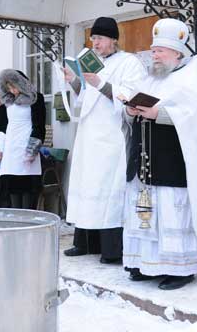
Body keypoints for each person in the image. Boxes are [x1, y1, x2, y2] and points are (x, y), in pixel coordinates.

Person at [123, 18, 197, 289]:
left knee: (171, 215)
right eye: (153, 50)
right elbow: (133, 106)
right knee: (145, 215)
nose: (154, 55)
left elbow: (193, 116)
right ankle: (146, 264)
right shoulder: (151, 78)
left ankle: (180, 270)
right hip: (143, 161)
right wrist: (129, 111)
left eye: (160, 51)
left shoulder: (189, 78)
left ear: (177, 53)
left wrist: (159, 113)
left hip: (170, 163)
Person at [64, 17, 146, 264]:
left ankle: (112, 249)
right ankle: (86, 242)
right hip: (90, 135)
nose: (95, 43)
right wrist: (75, 82)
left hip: (111, 137)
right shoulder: (94, 61)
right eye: (93, 38)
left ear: (113, 39)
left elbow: (130, 96)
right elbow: (88, 99)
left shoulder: (129, 62)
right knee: (86, 185)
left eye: (99, 38)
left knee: (106, 188)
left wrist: (99, 82)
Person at [0, 69, 46, 210]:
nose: (12, 90)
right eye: (8, 87)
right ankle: (16, 221)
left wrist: (32, 151)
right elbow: (1, 127)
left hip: (26, 148)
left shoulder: (36, 99)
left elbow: (39, 127)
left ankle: (28, 224)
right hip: (11, 150)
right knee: (12, 189)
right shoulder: (7, 103)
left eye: (14, 86)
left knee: (28, 191)